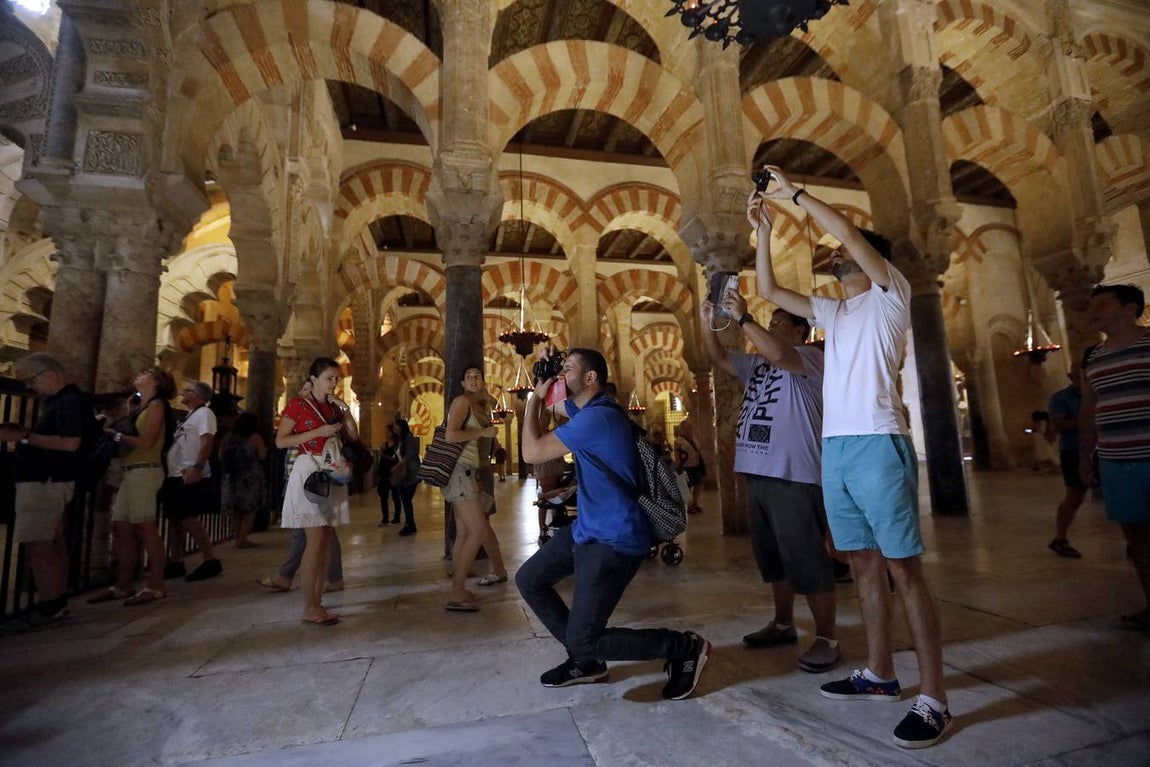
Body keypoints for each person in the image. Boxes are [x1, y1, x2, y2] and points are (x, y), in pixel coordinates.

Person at [751, 166, 951, 748]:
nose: (836, 254)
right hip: (837, 449)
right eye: (836, 250)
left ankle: (934, 695)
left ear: (869, 261)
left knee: (902, 570)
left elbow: (857, 239)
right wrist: (763, 229)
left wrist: (798, 196)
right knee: (862, 564)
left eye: (843, 250)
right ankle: (880, 673)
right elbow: (769, 292)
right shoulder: (835, 314)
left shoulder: (891, 296)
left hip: (878, 442)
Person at [516, 347, 710, 700]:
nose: (563, 376)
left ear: (590, 378)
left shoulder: (597, 419)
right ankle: (586, 661)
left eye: (569, 370)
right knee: (530, 579)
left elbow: (531, 452)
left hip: (615, 538)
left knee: (585, 637)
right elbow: (555, 403)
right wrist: (547, 371)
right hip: (587, 530)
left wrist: (531, 400)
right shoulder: (590, 409)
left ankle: (684, 647)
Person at [700, 291, 840, 673]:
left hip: (793, 474)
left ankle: (827, 637)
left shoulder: (811, 359)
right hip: (758, 473)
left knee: (807, 560)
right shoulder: (758, 365)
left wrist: (745, 319)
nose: (774, 327)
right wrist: (706, 320)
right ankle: (783, 623)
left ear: (800, 331)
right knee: (774, 560)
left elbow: (779, 354)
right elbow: (721, 359)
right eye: (771, 323)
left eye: (780, 323)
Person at [1078, 284, 1150, 631]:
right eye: (1093, 305)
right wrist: (1084, 456)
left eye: (1103, 304)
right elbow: (1088, 408)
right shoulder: (1092, 356)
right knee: (1136, 540)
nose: (1094, 311)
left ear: (1131, 308)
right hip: (1115, 457)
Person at [0, 353, 86, 628]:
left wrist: (23, 435)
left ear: (50, 374)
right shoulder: (63, 401)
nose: (29, 388)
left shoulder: (68, 402)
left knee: (40, 544)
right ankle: (56, 601)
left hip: (46, 481)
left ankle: (50, 606)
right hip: (51, 480)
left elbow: (70, 443)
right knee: (51, 541)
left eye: (30, 381)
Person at [275, 357, 357, 626]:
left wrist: (344, 407)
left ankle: (317, 602)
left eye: (336, 378)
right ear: (312, 379)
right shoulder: (298, 405)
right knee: (314, 540)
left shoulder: (332, 408)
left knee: (323, 540)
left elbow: (353, 435)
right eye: (328, 378)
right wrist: (317, 432)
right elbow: (281, 440)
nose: (334, 383)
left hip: (329, 472)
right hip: (309, 473)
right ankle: (310, 606)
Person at [89, 368, 174, 606]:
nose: (138, 375)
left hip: (146, 470)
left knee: (146, 528)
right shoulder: (140, 405)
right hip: (131, 471)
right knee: (121, 527)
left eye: (145, 374)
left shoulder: (157, 405)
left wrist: (113, 435)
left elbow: (146, 441)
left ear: (156, 381)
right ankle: (123, 584)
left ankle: (157, 585)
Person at [442, 366, 506, 610]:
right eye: (468, 376)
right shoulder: (461, 402)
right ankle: (457, 593)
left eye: (477, 376)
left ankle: (459, 588)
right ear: (462, 382)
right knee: (478, 530)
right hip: (459, 473)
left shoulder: (479, 407)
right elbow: (450, 435)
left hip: (468, 472)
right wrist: (483, 431)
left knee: (464, 532)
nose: (473, 379)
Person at [161, 380, 223, 582]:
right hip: (177, 473)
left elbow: (207, 440)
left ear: (197, 395)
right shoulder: (190, 415)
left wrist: (197, 467)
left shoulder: (204, 414)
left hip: (189, 472)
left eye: (187, 390)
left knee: (187, 516)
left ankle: (210, 560)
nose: (182, 392)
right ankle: (176, 560)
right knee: (175, 517)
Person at [1048, 362, 1086, 558]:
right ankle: (1060, 538)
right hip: (1073, 451)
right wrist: (1090, 419)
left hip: (1101, 448)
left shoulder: (1096, 395)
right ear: (1071, 377)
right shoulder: (1060, 398)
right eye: (1080, 377)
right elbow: (1060, 425)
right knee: (1074, 496)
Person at [220, 412, 267, 549]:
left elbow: (220, 455)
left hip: (231, 476)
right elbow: (263, 455)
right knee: (249, 508)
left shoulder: (228, 438)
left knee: (236, 509)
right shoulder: (255, 437)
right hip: (250, 476)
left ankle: (236, 537)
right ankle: (243, 537)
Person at [392, 418, 421, 536]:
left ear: (401, 426)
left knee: (406, 500)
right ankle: (410, 524)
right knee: (405, 500)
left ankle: (410, 524)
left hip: (411, 474)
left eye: (396, 426)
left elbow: (409, 456)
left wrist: (396, 467)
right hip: (405, 474)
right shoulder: (401, 440)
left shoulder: (409, 439)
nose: (394, 428)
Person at [672, 420, 704, 514]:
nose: (690, 429)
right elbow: (677, 453)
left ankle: (695, 503)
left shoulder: (694, 439)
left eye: (691, 427)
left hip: (696, 465)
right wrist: (679, 465)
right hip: (686, 466)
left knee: (698, 484)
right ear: (683, 429)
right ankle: (689, 506)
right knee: (688, 486)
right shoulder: (679, 440)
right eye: (688, 427)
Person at [375, 432, 400, 525]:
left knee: (395, 497)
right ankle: (385, 517)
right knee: (383, 497)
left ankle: (397, 517)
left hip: (393, 473)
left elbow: (396, 459)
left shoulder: (397, 446)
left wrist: (383, 455)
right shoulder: (384, 445)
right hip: (384, 474)